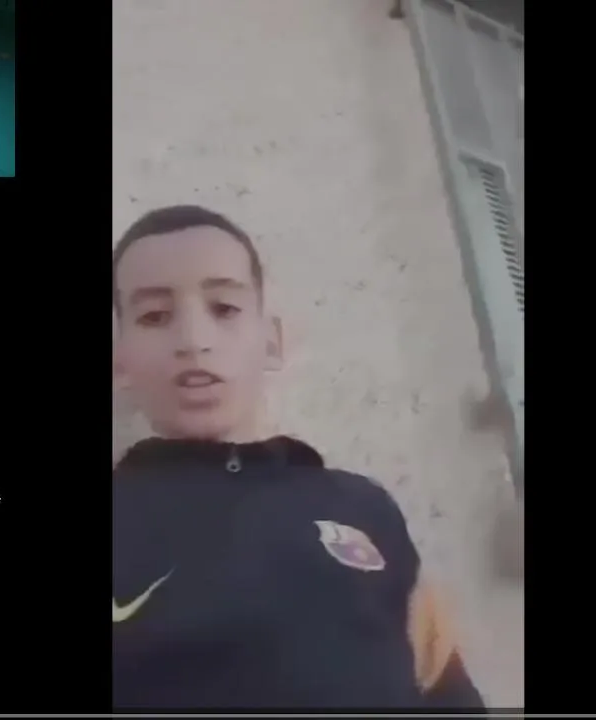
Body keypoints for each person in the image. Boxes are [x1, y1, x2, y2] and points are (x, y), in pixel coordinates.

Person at [112, 205, 486, 709]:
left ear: (272, 340)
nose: (194, 341)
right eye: (155, 316)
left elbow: (446, 691)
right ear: (119, 360)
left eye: (224, 308)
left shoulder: (367, 509)